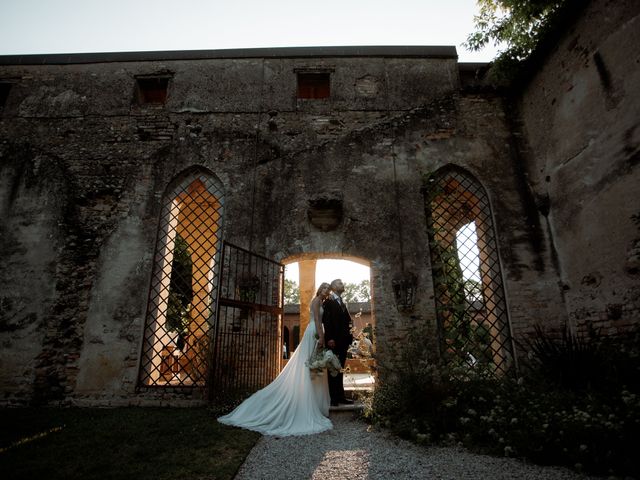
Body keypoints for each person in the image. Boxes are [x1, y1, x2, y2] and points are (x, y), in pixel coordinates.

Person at [217, 283, 332, 436]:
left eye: (328, 289)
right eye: (324, 288)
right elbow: (317, 320)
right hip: (315, 333)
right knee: (312, 366)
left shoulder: (320, 301)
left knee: (314, 367)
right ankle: (307, 404)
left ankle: (314, 404)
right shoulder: (317, 301)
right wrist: (322, 338)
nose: (326, 291)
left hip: (315, 331)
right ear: (320, 289)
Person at [322, 279, 354, 406]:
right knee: (333, 369)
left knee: (340, 368)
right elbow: (327, 321)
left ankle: (341, 396)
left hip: (344, 340)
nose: (343, 284)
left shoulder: (342, 302)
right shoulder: (329, 301)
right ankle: (333, 398)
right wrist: (329, 338)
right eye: (340, 283)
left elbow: (346, 321)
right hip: (334, 341)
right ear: (334, 287)